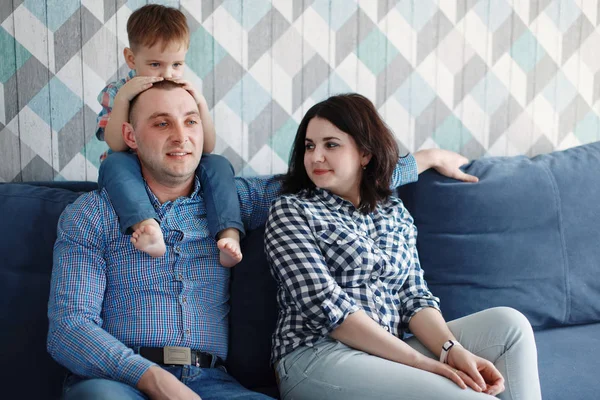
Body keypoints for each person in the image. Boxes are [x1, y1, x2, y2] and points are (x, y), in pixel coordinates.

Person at [48, 81, 478, 399]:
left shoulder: (235, 200)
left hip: (212, 383)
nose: (181, 136)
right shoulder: (92, 215)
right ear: (130, 137)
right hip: (120, 383)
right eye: (162, 124)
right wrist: (149, 377)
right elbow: (69, 328)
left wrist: (429, 158)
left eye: (190, 121)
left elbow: (340, 173)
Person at [265, 93, 542, 400]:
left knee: (510, 325)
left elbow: (413, 296)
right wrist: (423, 364)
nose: (315, 156)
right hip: (318, 355)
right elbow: (329, 308)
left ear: (365, 154)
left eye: (331, 144)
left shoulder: (393, 211)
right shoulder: (291, 211)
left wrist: (451, 349)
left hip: (389, 351)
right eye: (309, 145)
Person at [96, 4, 243, 266]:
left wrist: (200, 105)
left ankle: (228, 233)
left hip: (175, 166)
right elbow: (116, 144)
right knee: (114, 163)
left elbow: (207, 146)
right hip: (131, 167)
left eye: (176, 64)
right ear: (131, 59)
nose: (167, 74)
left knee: (218, 163)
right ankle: (147, 226)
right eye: (155, 64)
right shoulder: (119, 91)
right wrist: (124, 100)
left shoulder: (184, 91)